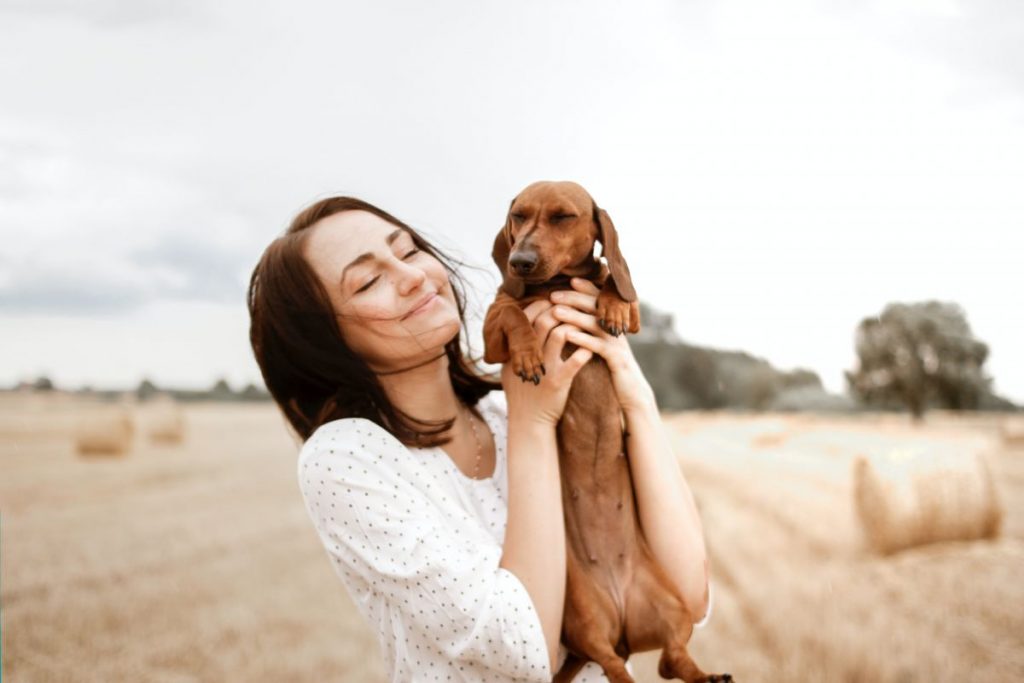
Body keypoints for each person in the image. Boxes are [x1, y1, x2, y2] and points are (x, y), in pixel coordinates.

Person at [247, 196, 713, 682]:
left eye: (407, 252)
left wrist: (634, 392)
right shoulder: (346, 458)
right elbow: (525, 653)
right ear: (322, 339)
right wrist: (533, 427)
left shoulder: (501, 411)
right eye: (367, 281)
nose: (413, 277)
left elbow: (690, 596)